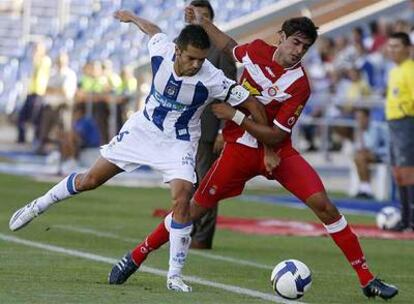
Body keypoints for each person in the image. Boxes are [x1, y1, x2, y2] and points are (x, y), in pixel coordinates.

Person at [108, 7, 399, 300]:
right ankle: (136, 255)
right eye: (295, 42)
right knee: (192, 209)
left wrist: (235, 118)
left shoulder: (300, 85)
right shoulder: (257, 50)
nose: (299, 51)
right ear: (281, 37)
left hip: (278, 152)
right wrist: (203, 22)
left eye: (305, 47)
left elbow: (276, 134)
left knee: (325, 205)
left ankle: (367, 279)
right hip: (239, 152)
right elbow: (228, 46)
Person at [9, 10, 270, 292]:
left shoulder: (213, 78)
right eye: (191, 58)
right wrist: (132, 18)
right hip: (142, 131)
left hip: (179, 141)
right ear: (177, 50)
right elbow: (153, 28)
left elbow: (254, 106)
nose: (196, 64)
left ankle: (174, 276)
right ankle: (38, 206)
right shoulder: (161, 49)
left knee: (182, 199)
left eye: (201, 59)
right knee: (90, 181)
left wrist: (249, 127)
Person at [188, 0, 237, 250]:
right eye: (194, 14)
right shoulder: (183, 45)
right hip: (185, 127)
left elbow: (230, 91)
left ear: (211, 18)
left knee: (206, 180)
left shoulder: (220, 50)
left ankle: (202, 237)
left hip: (208, 128)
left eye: (203, 15)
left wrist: (221, 130)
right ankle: (186, 230)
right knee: (187, 180)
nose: (198, 18)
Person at [385, 32, 414, 231]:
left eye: (396, 46)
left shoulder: (410, 70)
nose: (392, 50)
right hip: (394, 123)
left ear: (407, 48)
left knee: (408, 172)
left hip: (406, 122)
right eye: (390, 46)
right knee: (399, 172)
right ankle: (405, 218)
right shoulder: (394, 70)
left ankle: (411, 220)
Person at [16, 41, 51, 144]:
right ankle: (21, 139)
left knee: (36, 118)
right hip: (30, 92)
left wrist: (36, 58)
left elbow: (39, 73)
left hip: (39, 93)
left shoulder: (45, 60)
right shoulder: (34, 61)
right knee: (22, 117)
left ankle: (36, 140)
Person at [353, 108, 388, 199]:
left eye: (361, 118)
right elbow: (359, 147)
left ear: (367, 118)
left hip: (384, 156)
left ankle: (365, 189)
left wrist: (376, 152)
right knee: (358, 157)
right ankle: (365, 188)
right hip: (368, 156)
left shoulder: (378, 128)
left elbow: (389, 147)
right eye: (357, 118)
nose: (359, 121)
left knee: (360, 157)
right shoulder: (361, 130)